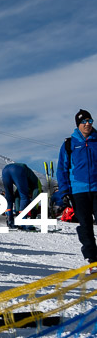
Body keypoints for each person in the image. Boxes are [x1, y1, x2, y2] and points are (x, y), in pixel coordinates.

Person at [57, 109, 97, 263]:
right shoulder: (69, 144)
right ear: (78, 125)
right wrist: (64, 191)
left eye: (90, 121)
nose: (87, 124)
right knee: (85, 225)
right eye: (84, 122)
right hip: (78, 191)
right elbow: (62, 169)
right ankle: (91, 257)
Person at [1, 162, 41, 231]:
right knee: (25, 197)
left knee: (9, 196)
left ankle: (10, 220)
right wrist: (34, 210)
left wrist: (17, 211)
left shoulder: (26, 183)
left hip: (5, 170)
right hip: (18, 170)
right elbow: (35, 199)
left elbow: (17, 196)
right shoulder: (37, 185)